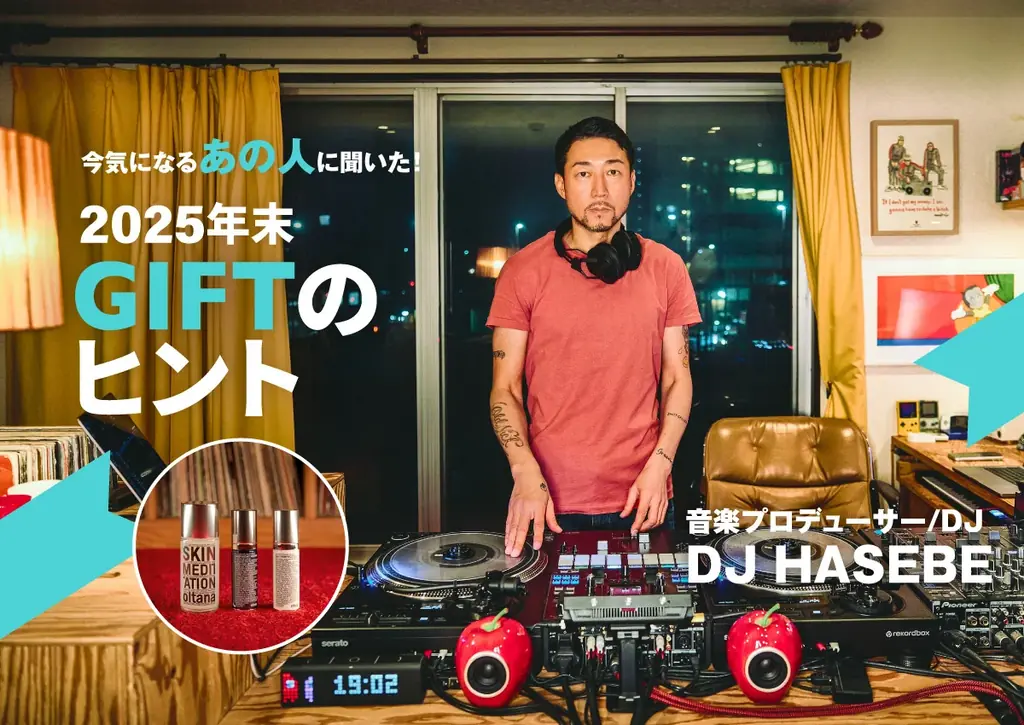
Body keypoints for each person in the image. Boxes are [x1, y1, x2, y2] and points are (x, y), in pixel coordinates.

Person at [486, 117, 702, 558]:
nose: (600, 189)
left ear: (632, 182)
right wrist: (523, 471)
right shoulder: (522, 271)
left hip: (644, 495)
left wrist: (661, 466)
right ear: (561, 185)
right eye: (583, 173)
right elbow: (504, 388)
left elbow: (677, 379)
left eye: (613, 172)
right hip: (547, 499)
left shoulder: (666, 267)